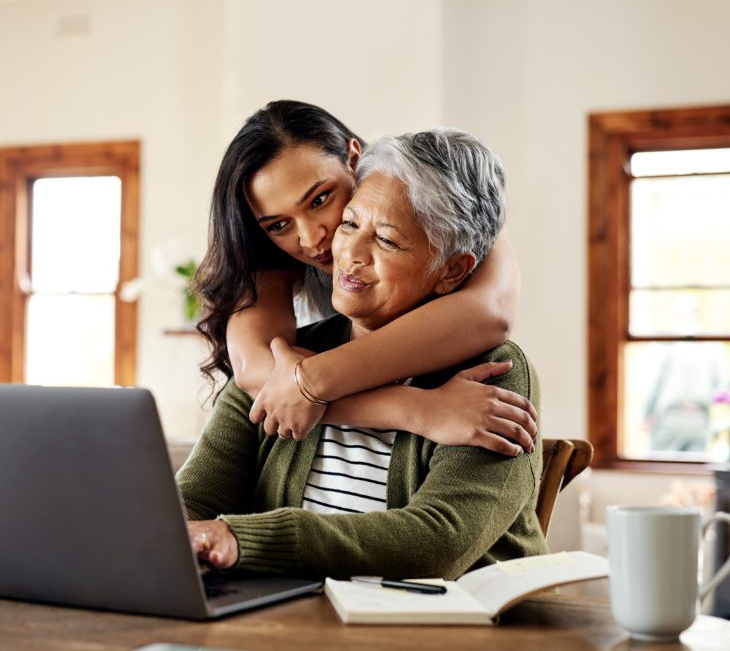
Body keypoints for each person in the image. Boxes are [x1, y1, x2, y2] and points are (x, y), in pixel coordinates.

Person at [178, 129, 547, 578]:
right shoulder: (288, 360)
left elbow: (438, 542)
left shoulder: (498, 372)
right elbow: (192, 500)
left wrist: (244, 539)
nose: (346, 253)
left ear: (452, 271)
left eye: (388, 241)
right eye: (350, 224)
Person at [195, 101, 536, 455]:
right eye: (280, 225)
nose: (312, 239)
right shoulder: (269, 257)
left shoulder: (439, 196)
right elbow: (257, 372)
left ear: (353, 158)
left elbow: (490, 311)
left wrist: (312, 381)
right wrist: (416, 409)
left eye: (320, 199)